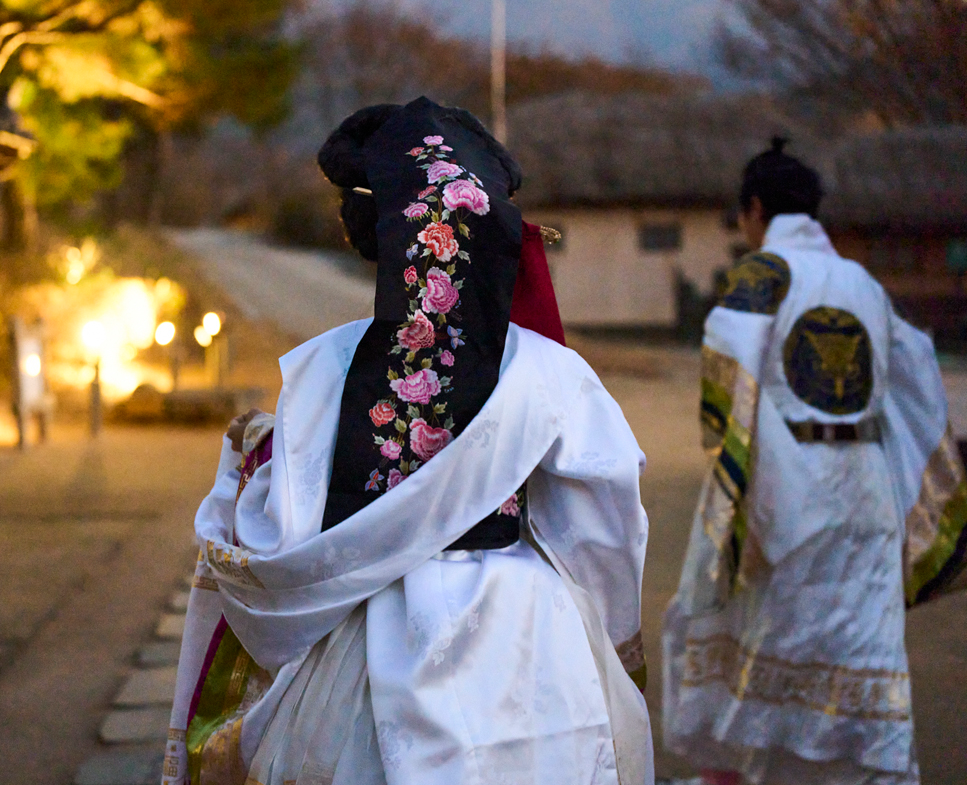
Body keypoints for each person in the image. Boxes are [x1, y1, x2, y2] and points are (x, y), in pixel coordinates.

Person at [162, 97, 655, 785]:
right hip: (529, 651)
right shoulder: (551, 371)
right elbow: (606, 530)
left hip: (361, 656)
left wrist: (257, 470)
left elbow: (279, 538)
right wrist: (611, 642)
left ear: (368, 238)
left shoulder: (317, 373)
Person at [661, 138, 967, 785]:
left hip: (788, 484)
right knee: (860, 640)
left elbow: (727, 366)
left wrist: (747, 480)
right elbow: (915, 373)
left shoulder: (762, 276)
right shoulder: (863, 282)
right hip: (868, 486)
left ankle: (761, 768)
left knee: (775, 637)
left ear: (754, 208)